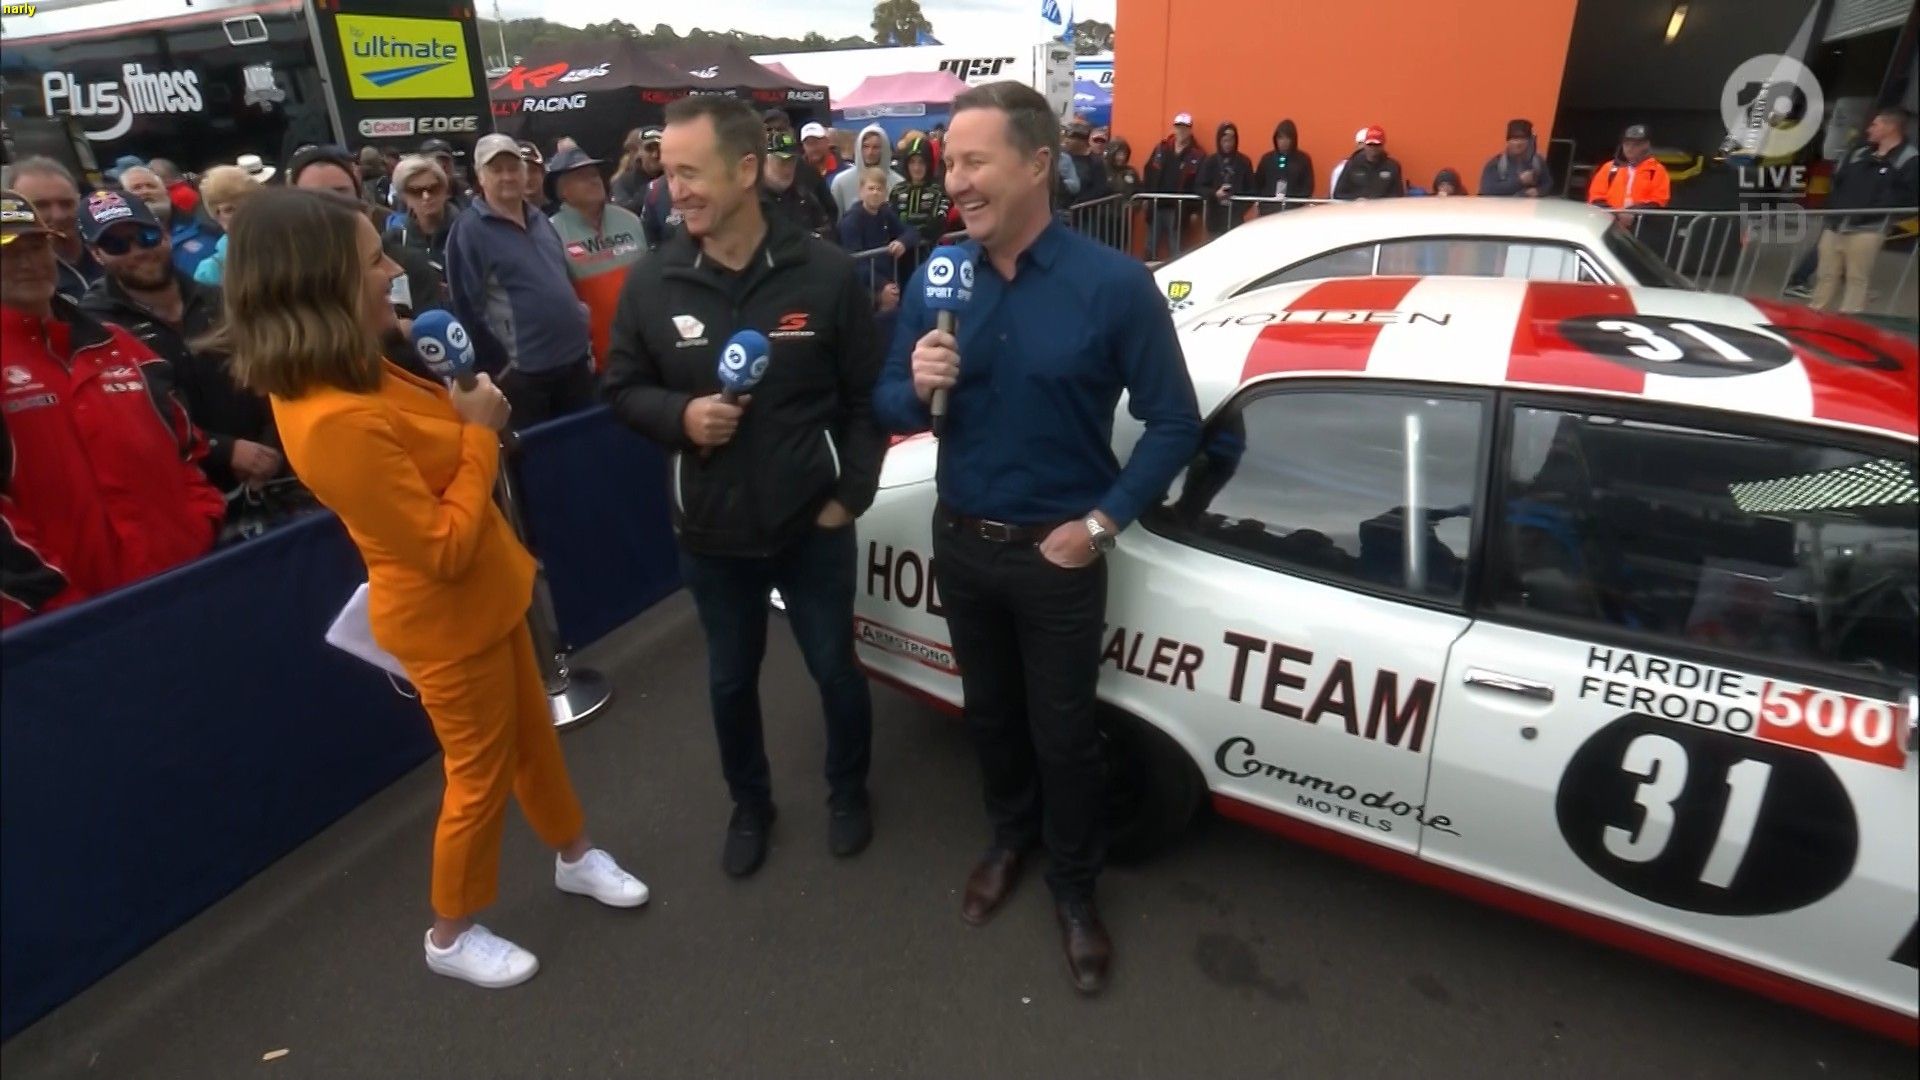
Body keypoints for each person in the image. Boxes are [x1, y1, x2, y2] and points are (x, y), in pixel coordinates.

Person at [224, 185, 648, 988]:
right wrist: (481, 435)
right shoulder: (330, 416)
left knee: (532, 740)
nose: (393, 271)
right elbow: (441, 547)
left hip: (491, 595)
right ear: (318, 286)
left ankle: (575, 855)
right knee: (478, 776)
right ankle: (449, 934)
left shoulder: (353, 370)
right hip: (445, 623)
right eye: (371, 262)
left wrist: (468, 417)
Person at [870, 81, 1202, 996]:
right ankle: (1009, 838)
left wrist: (1098, 525)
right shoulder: (939, 277)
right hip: (961, 542)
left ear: (1037, 164)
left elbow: (1174, 422)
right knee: (990, 715)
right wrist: (916, 383)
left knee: (1065, 735)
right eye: (950, 163)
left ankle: (1075, 888)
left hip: (1058, 557)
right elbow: (888, 403)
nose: (955, 180)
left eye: (975, 161)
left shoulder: (1115, 286)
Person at [603, 94, 885, 877]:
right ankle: (750, 805)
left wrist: (849, 497)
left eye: (692, 172)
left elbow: (867, 399)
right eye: (669, 172)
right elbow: (620, 388)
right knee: (730, 682)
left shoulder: (825, 272)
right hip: (713, 534)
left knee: (835, 670)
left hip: (813, 526)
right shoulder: (652, 281)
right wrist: (682, 416)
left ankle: (849, 791)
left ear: (748, 170)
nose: (676, 189)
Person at [0, 190, 225, 628]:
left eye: (36, 246)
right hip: (66, 627)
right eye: (8, 252)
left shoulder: (120, 345)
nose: (28, 263)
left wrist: (201, 526)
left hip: (183, 586)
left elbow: (187, 448)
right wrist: (57, 604)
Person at [74, 191, 283, 498]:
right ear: (96, 254)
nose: (138, 251)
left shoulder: (221, 299)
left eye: (146, 237)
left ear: (165, 234)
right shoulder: (95, 327)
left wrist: (271, 444)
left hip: (275, 473)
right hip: (187, 491)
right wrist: (222, 450)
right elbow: (126, 418)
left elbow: (275, 371)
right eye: (117, 245)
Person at [444, 134, 596, 426]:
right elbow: (466, 308)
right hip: (526, 376)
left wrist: (581, 319)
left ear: (525, 172)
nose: (507, 176)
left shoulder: (540, 218)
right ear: (480, 176)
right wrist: (499, 369)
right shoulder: (469, 230)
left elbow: (562, 278)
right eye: (496, 169)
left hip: (574, 363)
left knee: (582, 445)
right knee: (539, 451)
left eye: (513, 168)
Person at [287, 145, 447, 343]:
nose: (329, 209)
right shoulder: (283, 278)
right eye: (315, 199)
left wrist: (400, 334)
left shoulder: (407, 263)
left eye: (340, 194)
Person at [1811, 105, 1917, 314]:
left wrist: (1875, 214)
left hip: (1869, 228)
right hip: (1836, 223)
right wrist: (1833, 207)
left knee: (1856, 278)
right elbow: (1837, 181)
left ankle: (1849, 318)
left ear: (1890, 127)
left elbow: (1907, 196)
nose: (1869, 129)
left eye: (1875, 125)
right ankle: (1816, 312)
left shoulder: (1909, 159)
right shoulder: (1859, 153)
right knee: (1826, 274)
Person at [546, 146, 645, 371]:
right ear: (562, 190)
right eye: (582, 176)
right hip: (593, 359)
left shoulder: (629, 220)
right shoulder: (550, 232)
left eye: (595, 174)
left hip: (645, 347)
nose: (594, 180)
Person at [8, 156, 99, 301]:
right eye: (41, 205)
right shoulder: (14, 276)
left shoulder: (111, 249)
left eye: (66, 204)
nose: (58, 216)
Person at [118, 166, 221, 278]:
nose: (145, 191)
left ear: (165, 191)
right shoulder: (119, 245)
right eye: (136, 188)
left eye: (151, 186)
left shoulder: (206, 228)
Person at [840, 168, 909, 312]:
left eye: (879, 189)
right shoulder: (851, 221)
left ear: (885, 193)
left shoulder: (885, 212)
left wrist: (903, 241)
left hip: (887, 280)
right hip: (862, 287)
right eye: (871, 188)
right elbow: (855, 261)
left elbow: (911, 232)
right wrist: (882, 285)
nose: (875, 193)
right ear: (861, 191)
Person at [190, 164, 267, 287]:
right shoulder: (210, 271)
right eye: (229, 209)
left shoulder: (288, 245)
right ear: (217, 217)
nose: (242, 214)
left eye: (249, 205)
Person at [1141, 111, 1204, 259]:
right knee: (1150, 247)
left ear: (1190, 130)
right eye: (1178, 127)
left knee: (1176, 250)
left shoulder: (1198, 155)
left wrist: (1195, 210)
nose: (1181, 131)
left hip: (1179, 210)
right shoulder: (1161, 148)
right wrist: (1145, 198)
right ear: (1174, 128)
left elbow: (1199, 184)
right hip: (1156, 206)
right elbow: (1149, 172)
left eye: (1185, 127)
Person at [385, 155, 458, 277]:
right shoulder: (395, 240)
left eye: (433, 188)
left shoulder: (466, 231)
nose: (426, 197)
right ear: (404, 197)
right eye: (416, 191)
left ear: (445, 190)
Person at [889, 135, 953, 267]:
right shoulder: (897, 190)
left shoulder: (939, 191)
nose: (916, 167)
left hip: (930, 257)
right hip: (900, 260)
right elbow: (891, 222)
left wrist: (907, 239)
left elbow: (936, 225)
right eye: (912, 162)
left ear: (928, 164)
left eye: (921, 162)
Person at [762, 129, 836, 241]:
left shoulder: (803, 196)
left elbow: (827, 222)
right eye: (782, 162)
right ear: (765, 162)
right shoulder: (753, 202)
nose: (788, 169)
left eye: (792, 161)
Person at [1587, 124, 1670, 215]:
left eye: (1636, 145)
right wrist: (1615, 215)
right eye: (1627, 144)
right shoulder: (1608, 167)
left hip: (1641, 220)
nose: (1630, 148)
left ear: (1646, 145)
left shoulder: (1657, 170)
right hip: (1609, 218)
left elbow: (1659, 200)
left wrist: (1632, 213)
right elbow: (1596, 197)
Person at [830, 123, 904, 217]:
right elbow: (836, 219)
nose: (870, 152)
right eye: (865, 146)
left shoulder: (898, 183)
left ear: (884, 149)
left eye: (876, 147)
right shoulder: (841, 182)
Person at [1196, 121, 1253, 237]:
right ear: (1219, 141)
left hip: (1235, 220)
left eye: (1231, 140)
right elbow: (1199, 187)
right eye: (1224, 141)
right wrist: (1215, 194)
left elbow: (1252, 190)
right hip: (1215, 220)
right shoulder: (1210, 161)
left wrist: (1239, 208)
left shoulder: (1244, 162)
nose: (1228, 144)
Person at [1252, 119, 1314, 214]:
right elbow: (1258, 183)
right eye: (1280, 138)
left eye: (1287, 138)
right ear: (1275, 139)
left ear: (1293, 139)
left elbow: (1307, 187)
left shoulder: (1303, 160)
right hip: (1268, 210)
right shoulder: (1267, 159)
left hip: (1294, 211)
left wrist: (1295, 203)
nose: (1284, 142)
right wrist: (1262, 203)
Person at [1480, 118, 1551, 198]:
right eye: (1514, 139)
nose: (1518, 143)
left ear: (1530, 141)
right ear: (1508, 141)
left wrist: (1539, 191)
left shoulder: (1538, 162)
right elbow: (1487, 190)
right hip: (1503, 206)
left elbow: (1548, 184)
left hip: (1529, 205)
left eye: (1523, 139)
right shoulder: (1495, 163)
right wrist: (1519, 181)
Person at [1334, 126, 1407, 200]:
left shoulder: (1392, 166)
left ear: (1383, 145)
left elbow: (1398, 195)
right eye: (1370, 144)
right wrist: (1357, 199)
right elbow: (1338, 194)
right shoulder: (1352, 164)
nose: (1373, 148)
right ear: (1365, 145)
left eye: (1377, 145)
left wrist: (1380, 201)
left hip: (1383, 207)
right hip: (1356, 206)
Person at [612, 126, 664, 214]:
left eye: (659, 149)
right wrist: (653, 189)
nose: (655, 155)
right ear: (639, 152)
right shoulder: (625, 182)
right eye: (649, 149)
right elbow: (621, 214)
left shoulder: (675, 180)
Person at [1060, 120, 1111, 209]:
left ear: (1082, 141)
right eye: (1066, 137)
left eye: (1071, 138)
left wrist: (1078, 203)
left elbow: (1099, 189)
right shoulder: (1062, 157)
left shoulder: (1095, 162)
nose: (1066, 141)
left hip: (1084, 211)